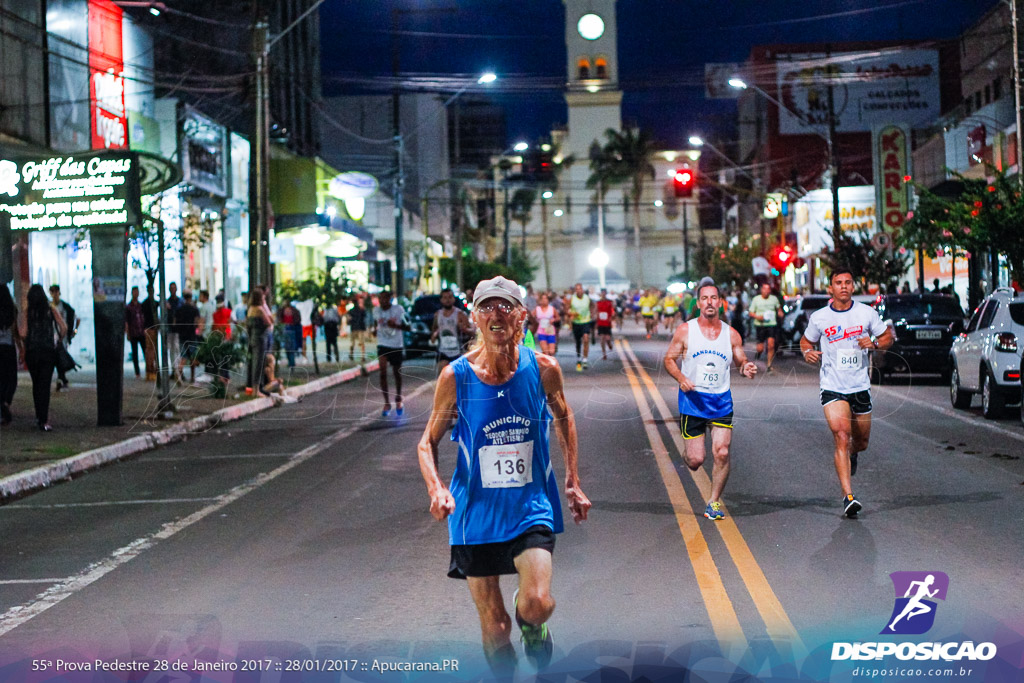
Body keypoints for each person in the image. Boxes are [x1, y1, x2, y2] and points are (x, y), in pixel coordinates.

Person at [416, 275, 591, 677]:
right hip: (474, 514)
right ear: (474, 318)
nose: (497, 314)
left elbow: (564, 418)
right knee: (495, 631)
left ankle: (532, 625)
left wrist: (572, 480)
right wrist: (436, 489)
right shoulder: (455, 377)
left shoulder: (543, 369)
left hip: (530, 506)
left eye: (506, 306)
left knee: (537, 603)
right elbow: (426, 443)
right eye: (487, 307)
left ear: (522, 316)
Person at [800, 267, 894, 518]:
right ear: (830, 288)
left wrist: (874, 344)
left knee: (861, 442)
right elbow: (806, 340)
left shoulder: (866, 313)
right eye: (838, 283)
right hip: (833, 386)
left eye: (848, 282)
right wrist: (806, 351)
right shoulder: (820, 318)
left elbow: (887, 337)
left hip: (859, 386)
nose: (843, 286)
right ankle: (848, 497)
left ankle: (854, 454)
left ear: (854, 287)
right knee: (841, 435)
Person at [663, 277, 757, 521]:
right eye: (704, 298)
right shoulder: (686, 330)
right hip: (693, 401)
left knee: (722, 452)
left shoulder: (731, 334)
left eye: (713, 298)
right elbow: (669, 360)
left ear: (721, 302)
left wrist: (746, 367)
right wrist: (681, 378)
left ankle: (713, 502)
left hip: (721, 401)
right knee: (695, 460)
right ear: (698, 303)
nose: (709, 303)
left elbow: (740, 360)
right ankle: (687, 455)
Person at [23, 284, 67, 431]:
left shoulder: (27, 312)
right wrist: (58, 339)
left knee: (36, 384)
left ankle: (38, 416)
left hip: (32, 352)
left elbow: (23, 333)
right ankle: (44, 420)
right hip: (48, 352)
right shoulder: (51, 310)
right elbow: (64, 327)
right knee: (45, 384)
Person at [374, 291, 409, 417]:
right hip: (382, 344)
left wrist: (396, 325)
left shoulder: (399, 310)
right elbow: (375, 324)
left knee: (396, 372)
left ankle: (398, 398)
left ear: (390, 299)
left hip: (396, 345)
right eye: (380, 298)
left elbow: (408, 326)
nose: (382, 300)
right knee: (382, 372)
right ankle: (386, 402)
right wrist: (374, 331)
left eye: (385, 298)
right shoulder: (376, 311)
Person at [431, 288, 472, 373]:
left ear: (453, 299)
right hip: (443, 351)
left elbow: (471, 332)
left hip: (457, 351)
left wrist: (464, 329)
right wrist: (434, 335)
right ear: (441, 300)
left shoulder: (460, 314)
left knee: (456, 378)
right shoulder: (438, 315)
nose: (448, 300)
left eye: (450, 297)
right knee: (443, 373)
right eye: (445, 298)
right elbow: (434, 329)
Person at [0, 285, 24, 426]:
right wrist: (21, 348)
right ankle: (6, 402)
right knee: (11, 379)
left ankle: (1, 406)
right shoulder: (12, 309)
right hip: (8, 349)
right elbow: (15, 331)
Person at [749, 282, 783, 374]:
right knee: (760, 348)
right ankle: (758, 353)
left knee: (771, 345)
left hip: (771, 324)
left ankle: (769, 365)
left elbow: (778, 309)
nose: (766, 291)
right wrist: (758, 317)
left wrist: (780, 313)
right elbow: (751, 312)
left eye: (768, 289)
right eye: (765, 289)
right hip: (760, 325)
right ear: (761, 290)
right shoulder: (756, 299)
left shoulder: (774, 299)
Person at [48, 284, 77, 390]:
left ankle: (61, 377)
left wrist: (73, 331)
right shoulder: (49, 306)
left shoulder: (65, 307)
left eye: (56, 292)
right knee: (56, 356)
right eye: (52, 292)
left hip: (62, 335)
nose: (54, 294)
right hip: (51, 335)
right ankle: (62, 377)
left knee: (60, 355)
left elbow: (75, 318)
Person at [246, 289, 274, 396]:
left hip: (253, 338)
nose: (264, 299)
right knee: (259, 364)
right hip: (261, 339)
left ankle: (255, 388)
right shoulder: (259, 310)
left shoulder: (250, 309)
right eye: (263, 297)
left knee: (255, 363)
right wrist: (265, 307)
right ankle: (256, 390)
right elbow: (269, 322)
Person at [174, 292, 201, 384]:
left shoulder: (179, 309)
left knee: (183, 356)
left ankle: (180, 374)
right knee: (192, 357)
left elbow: (175, 322)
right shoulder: (194, 309)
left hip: (182, 335)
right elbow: (197, 322)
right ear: (191, 297)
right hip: (191, 335)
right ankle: (192, 377)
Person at [567, 283, 594, 372]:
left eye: (580, 289)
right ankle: (579, 357)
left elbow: (593, 306)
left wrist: (593, 314)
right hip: (576, 322)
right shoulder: (572, 299)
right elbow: (567, 310)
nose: (578, 290)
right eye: (577, 289)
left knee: (586, 338)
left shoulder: (587, 298)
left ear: (582, 289)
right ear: (575, 290)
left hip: (586, 321)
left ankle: (585, 359)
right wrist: (572, 314)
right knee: (578, 342)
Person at [125, 286, 146, 378]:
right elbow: (126, 321)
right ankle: (137, 372)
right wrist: (127, 333)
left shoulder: (141, 306)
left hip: (141, 331)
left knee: (145, 350)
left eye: (137, 292)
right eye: (134, 292)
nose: (136, 294)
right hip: (133, 332)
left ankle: (148, 369)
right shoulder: (129, 307)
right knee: (135, 353)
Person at [141, 285, 159, 381]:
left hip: (151, 328)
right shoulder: (150, 303)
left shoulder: (152, 303)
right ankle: (150, 370)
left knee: (151, 350)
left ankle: (151, 370)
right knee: (150, 350)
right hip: (150, 328)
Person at [165, 281, 182, 368]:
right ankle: (174, 368)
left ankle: (178, 369)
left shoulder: (180, 301)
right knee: (171, 349)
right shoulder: (167, 302)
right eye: (171, 288)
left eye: (174, 288)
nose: (173, 290)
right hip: (170, 329)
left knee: (178, 349)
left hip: (179, 329)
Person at [595, 288, 614, 360]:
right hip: (600, 322)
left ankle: (609, 344)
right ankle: (604, 353)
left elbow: (612, 311)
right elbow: (596, 311)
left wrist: (611, 317)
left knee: (608, 338)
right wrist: (596, 321)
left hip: (607, 322)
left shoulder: (609, 302)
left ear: (606, 293)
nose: (603, 294)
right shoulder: (598, 302)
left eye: (604, 293)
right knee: (602, 338)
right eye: (602, 293)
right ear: (601, 294)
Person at [348, 294, 368, 359]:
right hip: (360, 327)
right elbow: (365, 317)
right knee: (361, 343)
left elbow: (349, 319)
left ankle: (352, 354)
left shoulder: (351, 311)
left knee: (353, 343)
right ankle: (362, 356)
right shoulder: (361, 310)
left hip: (354, 327)